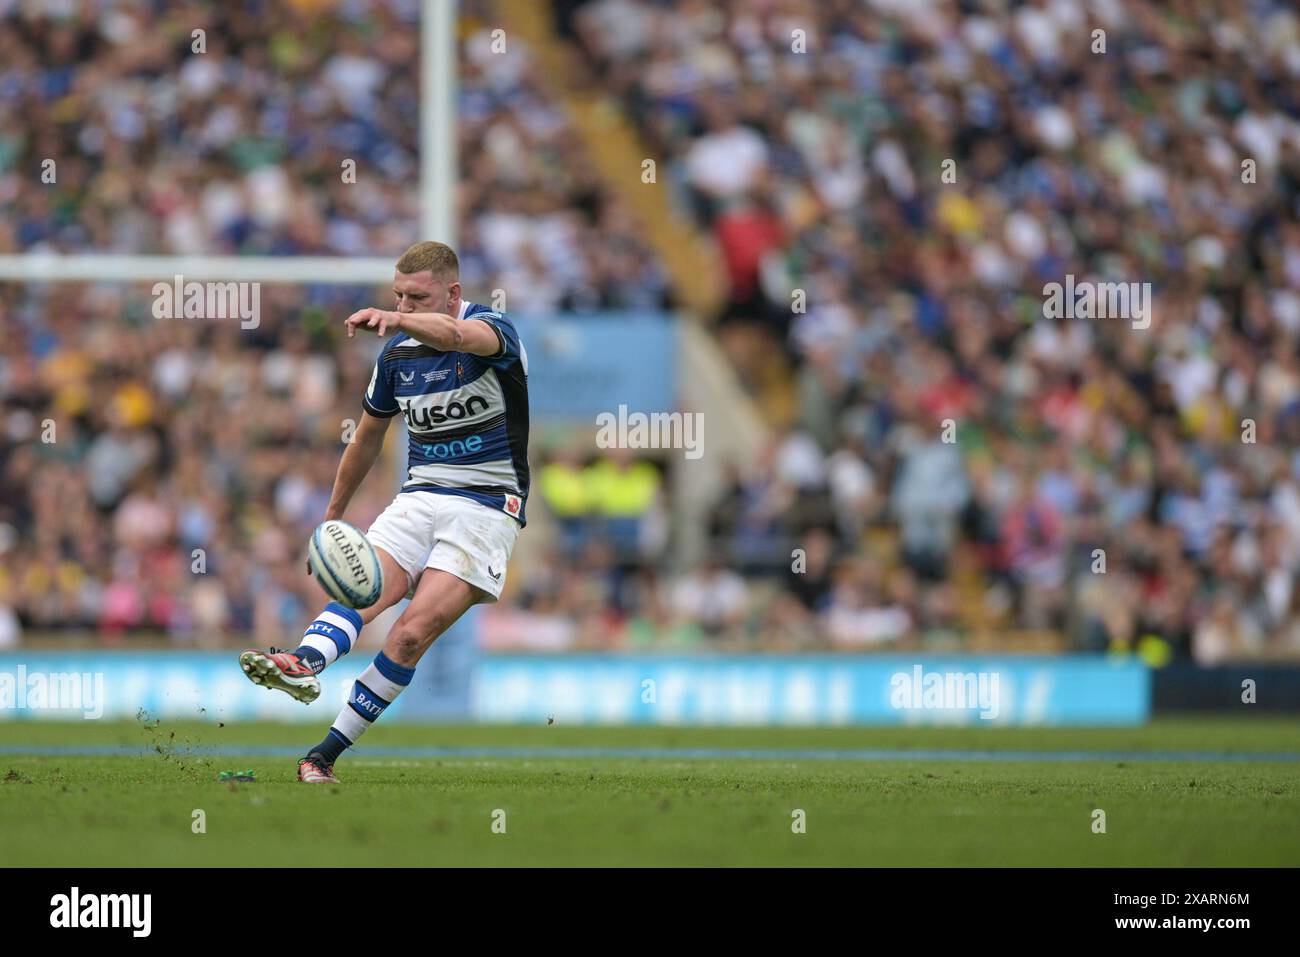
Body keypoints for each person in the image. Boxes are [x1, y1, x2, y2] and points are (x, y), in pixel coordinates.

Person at [238, 241, 530, 783]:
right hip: (419, 495)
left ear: (453, 294)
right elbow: (366, 440)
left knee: (409, 636)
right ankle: (303, 664)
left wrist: (398, 318)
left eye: (417, 297)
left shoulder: (494, 331)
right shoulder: (395, 359)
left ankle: (321, 755)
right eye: (398, 295)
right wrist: (331, 515)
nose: (405, 305)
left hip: (488, 506)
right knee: (362, 590)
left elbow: (454, 336)